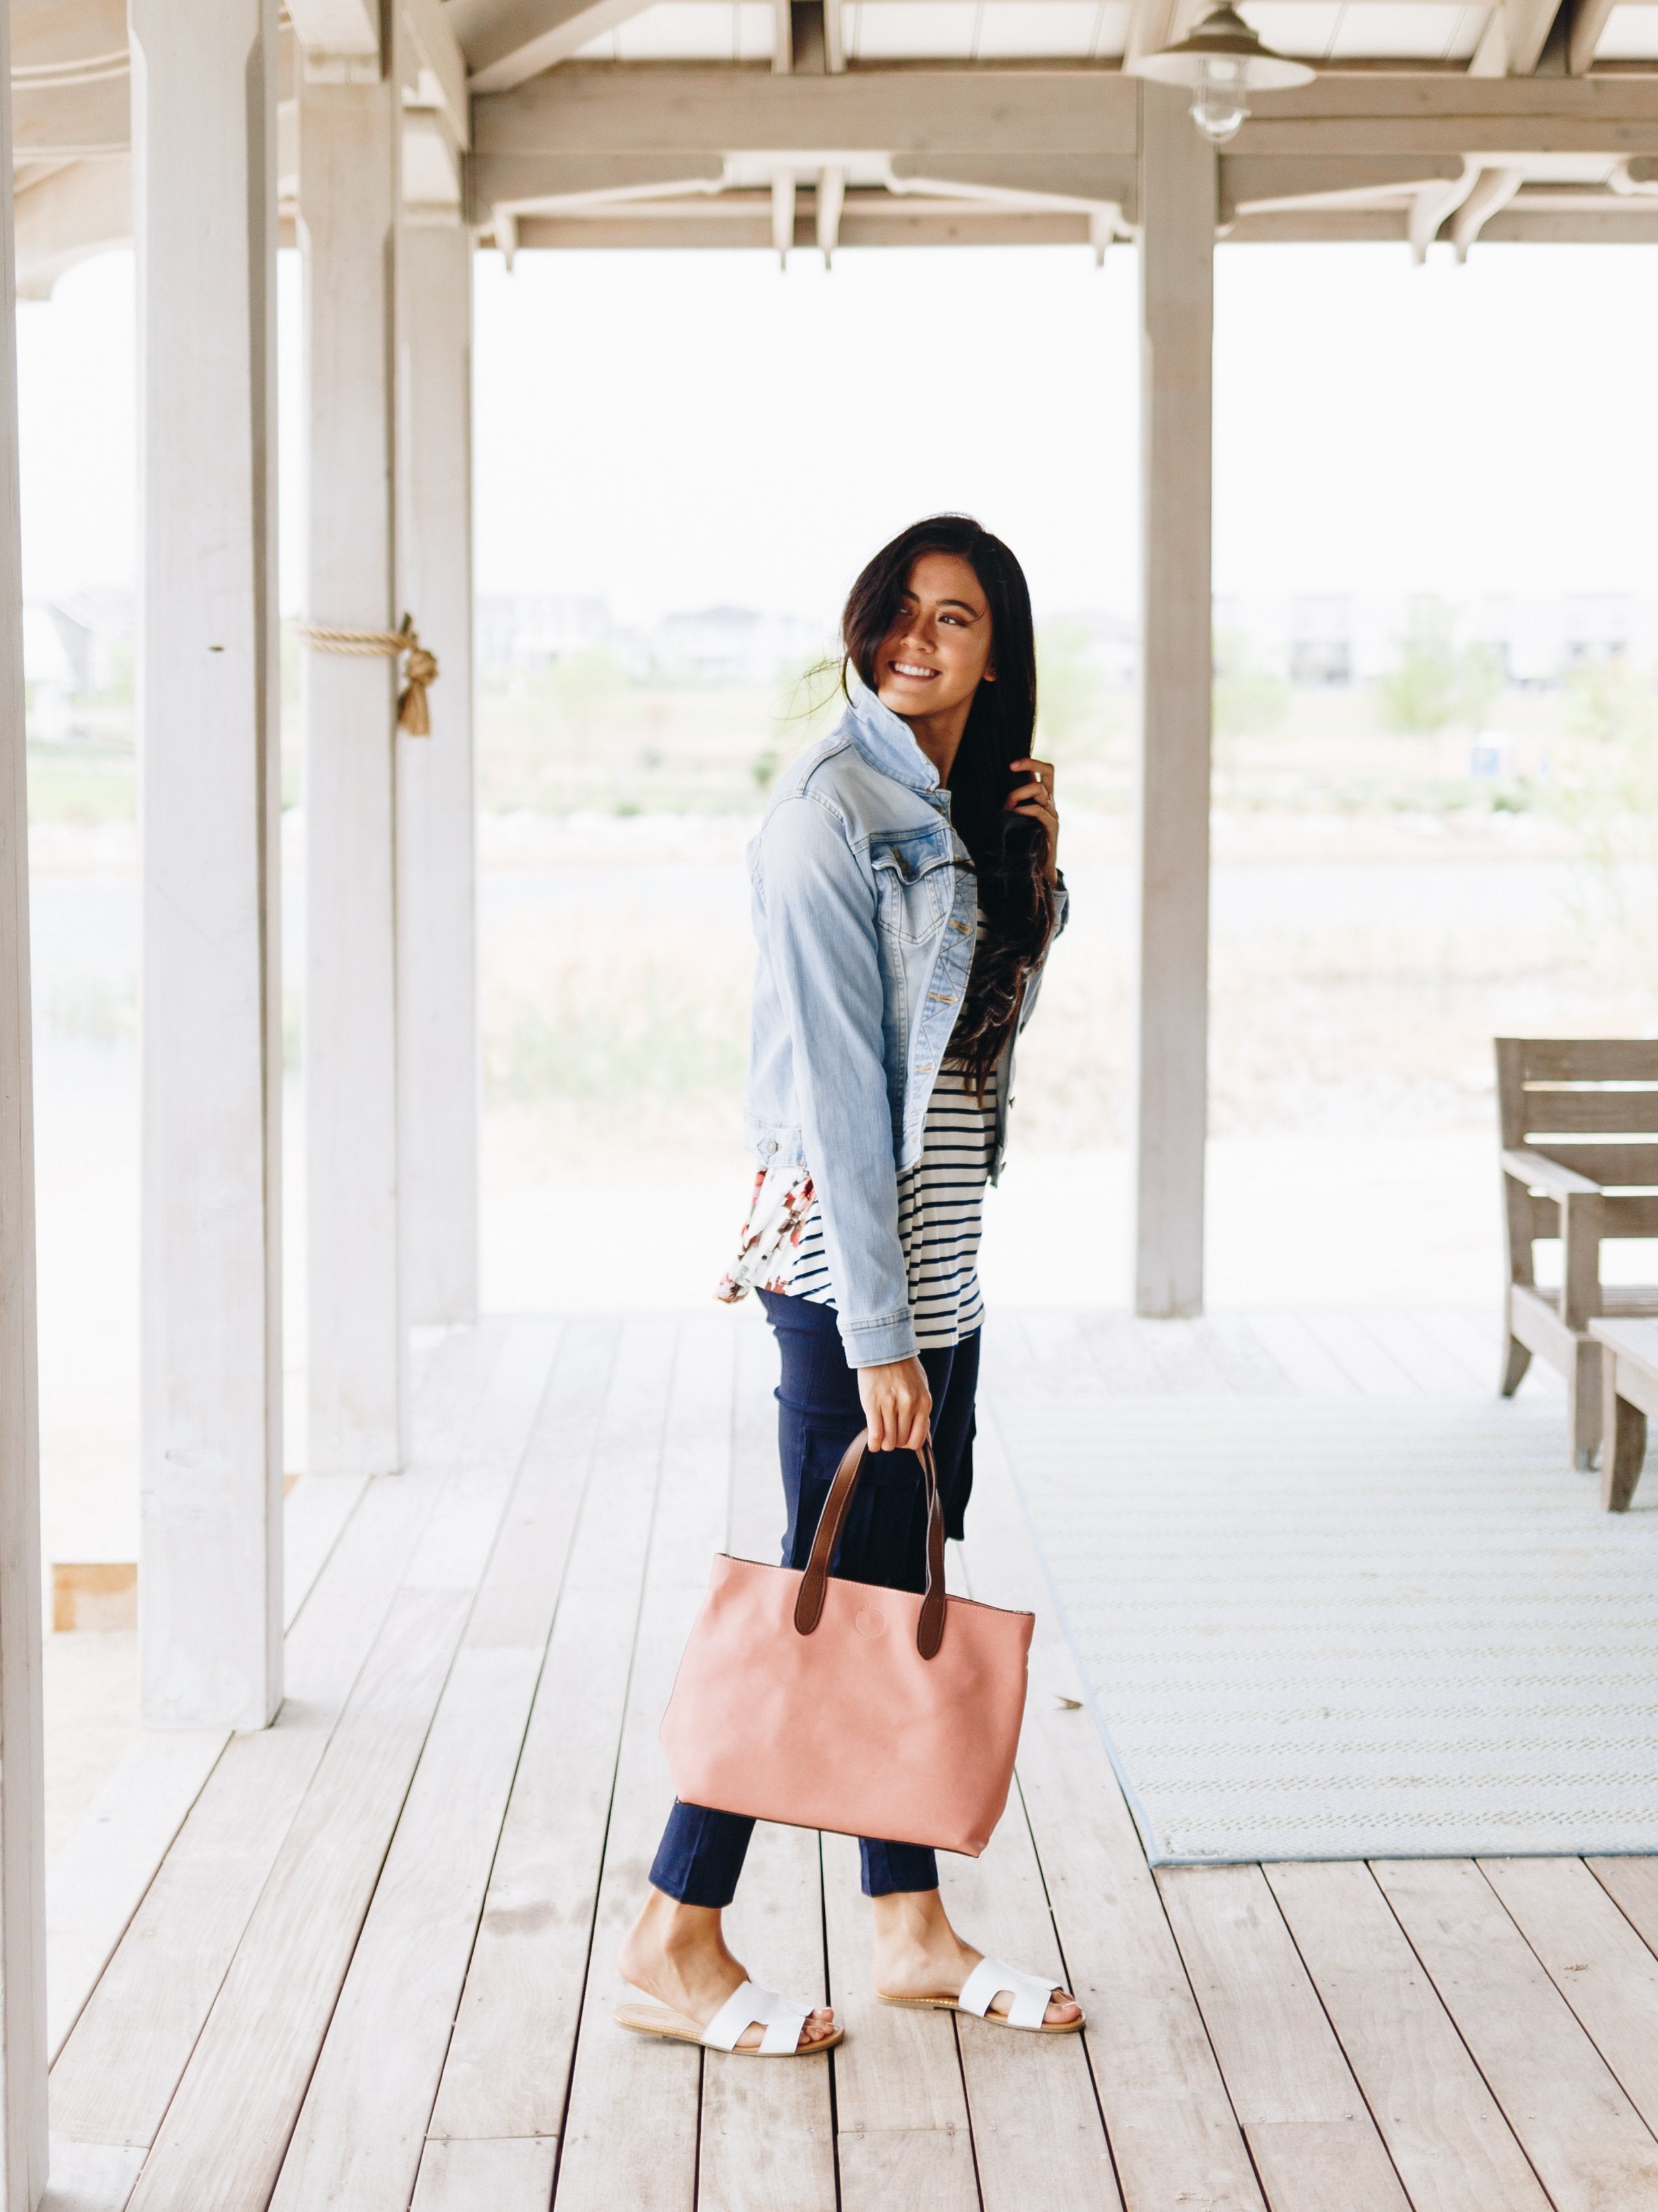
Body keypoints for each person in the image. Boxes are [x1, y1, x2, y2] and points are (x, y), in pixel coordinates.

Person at [613, 515, 1083, 2060]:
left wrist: (1038, 872)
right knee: (821, 1600)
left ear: (994, 648)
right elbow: (832, 1081)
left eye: (953, 617)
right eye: (898, 609)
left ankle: (908, 1930)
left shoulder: (956, 808)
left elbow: (973, 1041)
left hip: (936, 1252)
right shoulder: (827, 806)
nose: (915, 636)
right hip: (844, 1266)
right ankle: (677, 1932)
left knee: (884, 1573)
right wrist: (879, 1333)